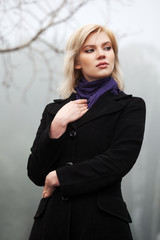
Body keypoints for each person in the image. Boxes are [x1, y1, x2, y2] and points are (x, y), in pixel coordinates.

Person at [27, 24, 146, 240]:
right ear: (76, 62)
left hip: (103, 225)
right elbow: (36, 173)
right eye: (90, 50)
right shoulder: (54, 111)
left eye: (107, 48)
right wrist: (56, 127)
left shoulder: (131, 106)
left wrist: (59, 177)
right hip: (52, 225)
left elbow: (118, 161)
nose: (101, 54)